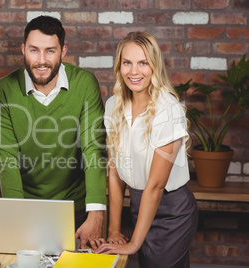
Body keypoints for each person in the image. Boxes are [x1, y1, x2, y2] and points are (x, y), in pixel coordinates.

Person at [0, 16, 107, 249]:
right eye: (34, 50)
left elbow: (94, 149)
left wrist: (96, 214)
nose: (41, 60)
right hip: (25, 207)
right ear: (23, 49)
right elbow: (7, 159)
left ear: (63, 51)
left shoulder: (84, 84)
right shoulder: (3, 90)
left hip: (77, 208)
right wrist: (17, 214)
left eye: (50, 51)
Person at [94, 31, 198, 267]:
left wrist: (133, 244)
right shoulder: (113, 106)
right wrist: (114, 230)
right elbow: (115, 172)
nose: (134, 71)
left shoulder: (168, 110)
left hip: (172, 212)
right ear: (119, 66)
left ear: (154, 66)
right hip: (139, 206)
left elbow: (156, 186)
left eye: (143, 63)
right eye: (127, 63)